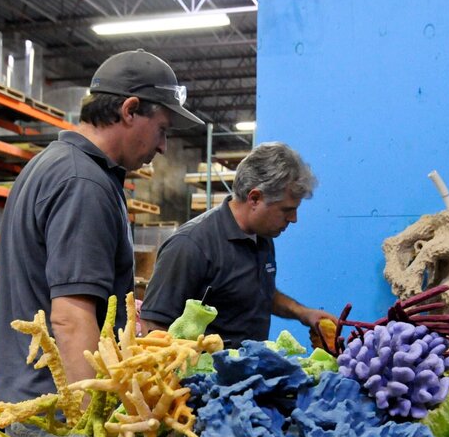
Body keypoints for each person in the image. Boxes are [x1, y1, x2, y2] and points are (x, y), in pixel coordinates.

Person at [0, 49, 204, 403]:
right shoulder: (83, 183)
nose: (164, 147)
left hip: (32, 398)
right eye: (162, 130)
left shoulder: (51, 164)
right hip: (60, 413)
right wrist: (93, 431)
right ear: (130, 110)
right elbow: (71, 319)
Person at [140, 142, 335, 346]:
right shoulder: (191, 245)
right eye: (286, 210)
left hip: (250, 373)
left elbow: (258, 293)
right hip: (203, 376)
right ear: (255, 198)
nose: (293, 219)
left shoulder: (262, 237)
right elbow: (153, 325)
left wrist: (303, 313)